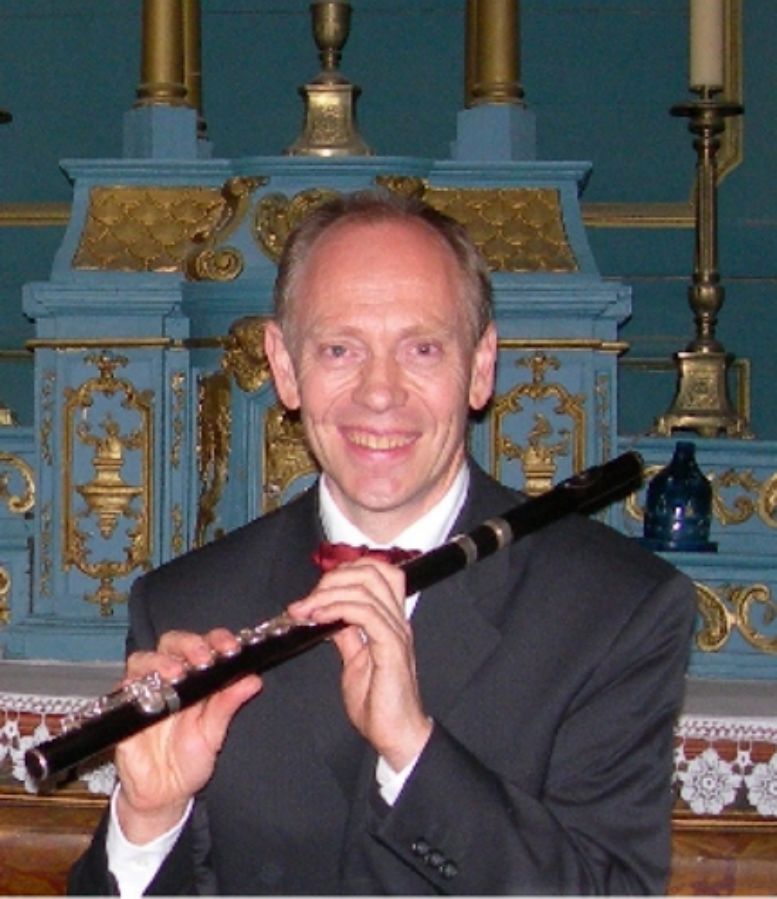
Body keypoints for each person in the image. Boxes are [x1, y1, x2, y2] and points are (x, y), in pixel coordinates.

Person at [69, 190, 696, 896]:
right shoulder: (185, 602)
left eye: (421, 348)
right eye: (340, 349)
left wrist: (413, 751)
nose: (378, 392)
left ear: (480, 365)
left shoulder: (617, 609)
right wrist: (150, 819)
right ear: (284, 366)